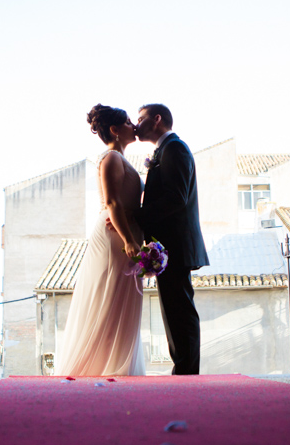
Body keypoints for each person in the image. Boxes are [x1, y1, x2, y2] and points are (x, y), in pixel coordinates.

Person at [54, 105, 146, 376]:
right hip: (116, 237)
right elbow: (113, 202)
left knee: (121, 301)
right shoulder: (111, 159)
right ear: (115, 130)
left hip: (127, 231)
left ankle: (115, 367)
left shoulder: (121, 159)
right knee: (109, 299)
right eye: (129, 122)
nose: (134, 126)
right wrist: (129, 240)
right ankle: (94, 368)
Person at [132, 104, 209, 374]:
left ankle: (187, 373)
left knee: (180, 312)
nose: (136, 124)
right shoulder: (165, 151)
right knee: (174, 311)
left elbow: (177, 197)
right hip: (169, 246)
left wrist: (137, 216)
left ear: (157, 119)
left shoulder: (175, 148)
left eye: (140, 119)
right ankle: (184, 370)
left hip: (175, 246)